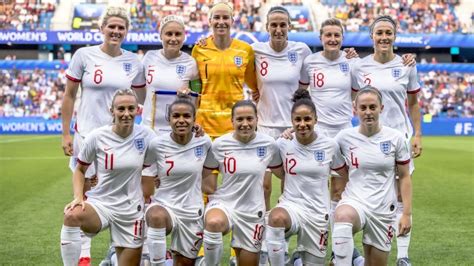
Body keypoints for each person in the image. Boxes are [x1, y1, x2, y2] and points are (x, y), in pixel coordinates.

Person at [60, 6, 145, 265]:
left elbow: (142, 99)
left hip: (121, 139)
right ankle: (83, 254)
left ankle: (114, 250)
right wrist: (66, 133)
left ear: (127, 32)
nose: (116, 31)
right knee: (85, 195)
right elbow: (69, 95)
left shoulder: (133, 62)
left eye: (121, 28)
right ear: (102, 29)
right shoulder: (84, 55)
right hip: (87, 136)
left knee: (119, 191)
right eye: (112, 27)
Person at [351, 15, 422, 266]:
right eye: (379, 33)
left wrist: (418, 134)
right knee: (371, 196)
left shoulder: (406, 65)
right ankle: (368, 251)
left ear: (395, 36)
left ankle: (402, 256)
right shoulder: (358, 66)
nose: (383, 37)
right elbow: (351, 99)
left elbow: (413, 103)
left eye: (388, 33)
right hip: (368, 142)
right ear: (371, 36)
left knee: (401, 196)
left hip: (399, 138)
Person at [60, 89, 156, 266]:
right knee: (72, 215)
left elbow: (172, 144)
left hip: (131, 211)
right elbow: (80, 170)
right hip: (101, 205)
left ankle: (112, 260)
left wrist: (194, 130)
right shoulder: (97, 137)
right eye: (121, 109)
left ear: (137, 110)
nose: (126, 114)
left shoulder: (147, 135)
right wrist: (78, 197)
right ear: (112, 111)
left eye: (131, 108)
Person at [266, 89, 347, 266]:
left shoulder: (329, 145)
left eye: (307, 119)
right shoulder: (283, 143)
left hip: (318, 213)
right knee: (276, 217)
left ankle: (297, 259)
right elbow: (280, 173)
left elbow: (343, 174)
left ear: (316, 120)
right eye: (298, 120)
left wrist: (338, 202)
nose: (302, 124)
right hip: (292, 206)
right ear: (292, 121)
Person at [332, 86, 412, 266]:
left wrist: (406, 213)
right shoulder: (343, 138)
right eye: (363, 108)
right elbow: (316, 145)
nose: (368, 112)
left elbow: (405, 176)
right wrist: (290, 134)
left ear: (381, 108)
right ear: (355, 109)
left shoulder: (396, 138)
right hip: (355, 202)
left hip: (383, 210)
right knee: (343, 217)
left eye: (372, 107)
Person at [202, 100, 283, 266]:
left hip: (252, 212)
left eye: (249, 119)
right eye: (239, 119)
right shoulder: (219, 145)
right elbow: (203, 174)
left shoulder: (269, 144)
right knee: (213, 222)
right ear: (232, 121)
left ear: (256, 120)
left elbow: (283, 174)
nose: (245, 124)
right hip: (225, 204)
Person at [142, 94, 213, 266]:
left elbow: (208, 174)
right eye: (176, 116)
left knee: (183, 263)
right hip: (165, 206)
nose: (181, 120)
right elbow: (144, 168)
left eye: (186, 116)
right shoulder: (157, 144)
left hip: (191, 211)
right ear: (169, 119)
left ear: (194, 119)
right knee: (155, 215)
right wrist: (152, 183)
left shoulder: (204, 142)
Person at [191, 1, 258, 138]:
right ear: (210, 21)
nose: (221, 22)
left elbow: (255, 86)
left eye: (225, 17)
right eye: (217, 17)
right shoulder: (199, 49)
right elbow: (194, 87)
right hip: (204, 126)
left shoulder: (245, 50)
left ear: (232, 21)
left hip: (236, 125)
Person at [141, 15, 200, 135]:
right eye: (169, 34)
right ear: (161, 35)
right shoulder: (148, 57)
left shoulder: (190, 63)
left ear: (184, 36)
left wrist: (189, 95)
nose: (173, 38)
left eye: (178, 34)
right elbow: (139, 89)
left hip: (177, 132)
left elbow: (197, 97)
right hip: (149, 129)